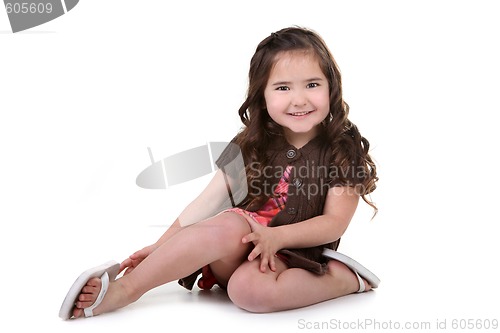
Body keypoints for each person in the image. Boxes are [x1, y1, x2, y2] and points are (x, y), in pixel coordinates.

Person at [59, 26, 379, 319]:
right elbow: (206, 202)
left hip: (293, 256)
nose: (299, 99)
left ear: (331, 87)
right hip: (236, 246)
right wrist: (160, 246)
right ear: (262, 96)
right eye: (282, 88)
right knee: (226, 221)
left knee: (248, 292)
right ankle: (123, 290)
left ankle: (342, 281)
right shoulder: (251, 144)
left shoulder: (341, 147)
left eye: (312, 84)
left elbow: (334, 223)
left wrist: (277, 237)